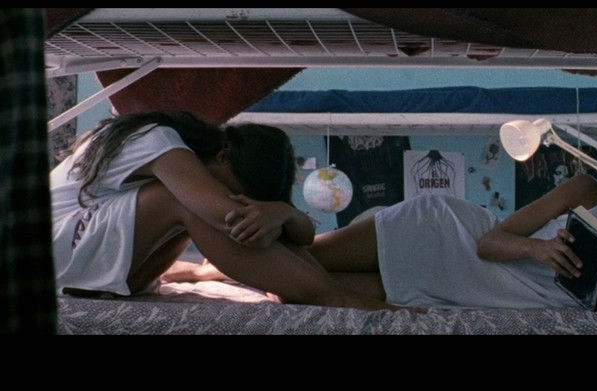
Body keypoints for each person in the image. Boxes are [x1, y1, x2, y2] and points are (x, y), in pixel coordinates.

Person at [176, 140, 597, 310]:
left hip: (459, 288)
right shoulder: (588, 193)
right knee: (312, 259)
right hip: (442, 234)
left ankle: (207, 273)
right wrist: (538, 251)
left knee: (299, 289)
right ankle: (203, 261)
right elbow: (489, 240)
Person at [50, 110, 393, 310]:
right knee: (186, 203)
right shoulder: (158, 141)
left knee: (195, 208)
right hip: (54, 251)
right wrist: (267, 219)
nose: (237, 201)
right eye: (236, 194)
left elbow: (302, 238)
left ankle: (330, 292)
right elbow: (231, 220)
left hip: (86, 267)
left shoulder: (187, 159)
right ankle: (332, 296)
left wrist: (283, 213)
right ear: (223, 157)